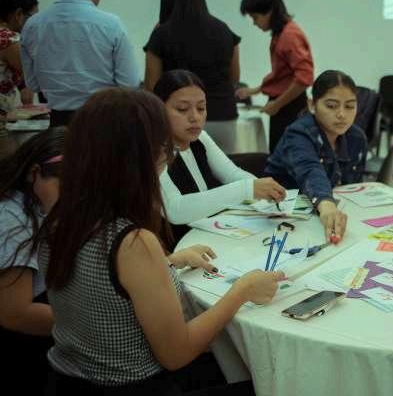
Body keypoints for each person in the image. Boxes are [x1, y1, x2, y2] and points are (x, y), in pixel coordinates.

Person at [37, 88, 284, 395]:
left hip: (65, 379)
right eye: (163, 146)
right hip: (134, 385)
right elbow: (176, 353)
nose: (167, 156)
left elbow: (102, 285)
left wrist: (169, 261)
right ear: (140, 156)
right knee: (273, 375)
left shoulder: (58, 217)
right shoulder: (132, 242)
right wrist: (242, 291)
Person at [154, 69, 286, 241]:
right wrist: (247, 189)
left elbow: (231, 174)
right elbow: (174, 209)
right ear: (159, 109)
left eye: (201, 108)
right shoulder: (154, 151)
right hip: (179, 246)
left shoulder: (200, 138)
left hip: (210, 234)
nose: (195, 117)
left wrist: (261, 188)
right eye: (182, 109)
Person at [20, 0, 139, 127]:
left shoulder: (32, 25)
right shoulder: (112, 25)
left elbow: (33, 84)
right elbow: (130, 84)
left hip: (58, 124)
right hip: (102, 121)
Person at [264, 70, 367, 243]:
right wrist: (327, 206)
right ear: (312, 105)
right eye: (332, 106)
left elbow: (354, 188)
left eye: (349, 106)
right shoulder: (297, 134)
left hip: (330, 212)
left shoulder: (356, 137)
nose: (342, 114)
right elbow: (310, 171)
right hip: (284, 220)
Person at [144, 0, 242, 153]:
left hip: (179, 121)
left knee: (184, 170)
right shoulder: (223, 29)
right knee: (226, 169)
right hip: (223, 117)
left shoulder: (161, 34)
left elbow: (152, 86)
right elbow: (235, 77)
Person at [0, 127, 65, 394]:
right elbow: (15, 314)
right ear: (33, 173)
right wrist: (84, 322)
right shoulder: (14, 222)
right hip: (22, 346)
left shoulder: (37, 200)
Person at [237, 0, 314, 152]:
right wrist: (255, 90)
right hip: (285, 106)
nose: (254, 23)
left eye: (255, 17)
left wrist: (277, 104)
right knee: (279, 155)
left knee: (285, 157)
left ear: (270, 11)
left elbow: (304, 79)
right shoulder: (281, 33)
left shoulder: (290, 35)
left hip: (290, 108)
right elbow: (283, 75)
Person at [0, 0, 38, 150]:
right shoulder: (8, 39)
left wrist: (24, 86)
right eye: (33, 18)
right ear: (18, 14)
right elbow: (35, 73)